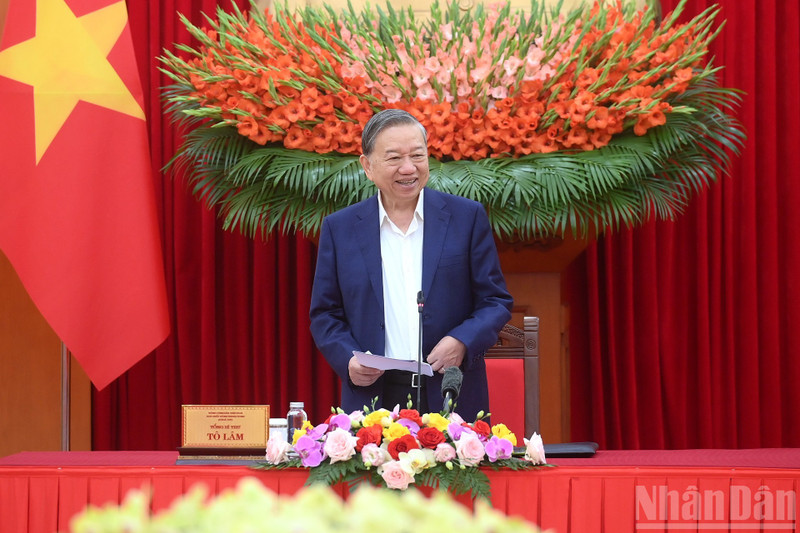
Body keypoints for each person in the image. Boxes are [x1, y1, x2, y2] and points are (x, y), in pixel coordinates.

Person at [309, 109, 513, 421]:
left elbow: (495, 301)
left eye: (418, 155)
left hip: (450, 393)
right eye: (394, 158)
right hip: (373, 398)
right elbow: (325, 314)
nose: (409, 168)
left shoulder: (465, 218)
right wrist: (348, 359)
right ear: (367, 166)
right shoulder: (341, 228)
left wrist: (462, 340)